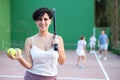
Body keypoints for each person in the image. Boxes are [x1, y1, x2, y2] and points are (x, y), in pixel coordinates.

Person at [7, 7, 66, 80]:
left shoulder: (58, 39)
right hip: (32, 77)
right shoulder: (29, 41)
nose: (43, 22)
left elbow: (62, 61)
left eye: (45, 19)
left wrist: (59, 47)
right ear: (36, 22)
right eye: (39, 19)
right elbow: (29, 65)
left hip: (52, 77)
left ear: (50, 21)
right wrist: (19, 58)